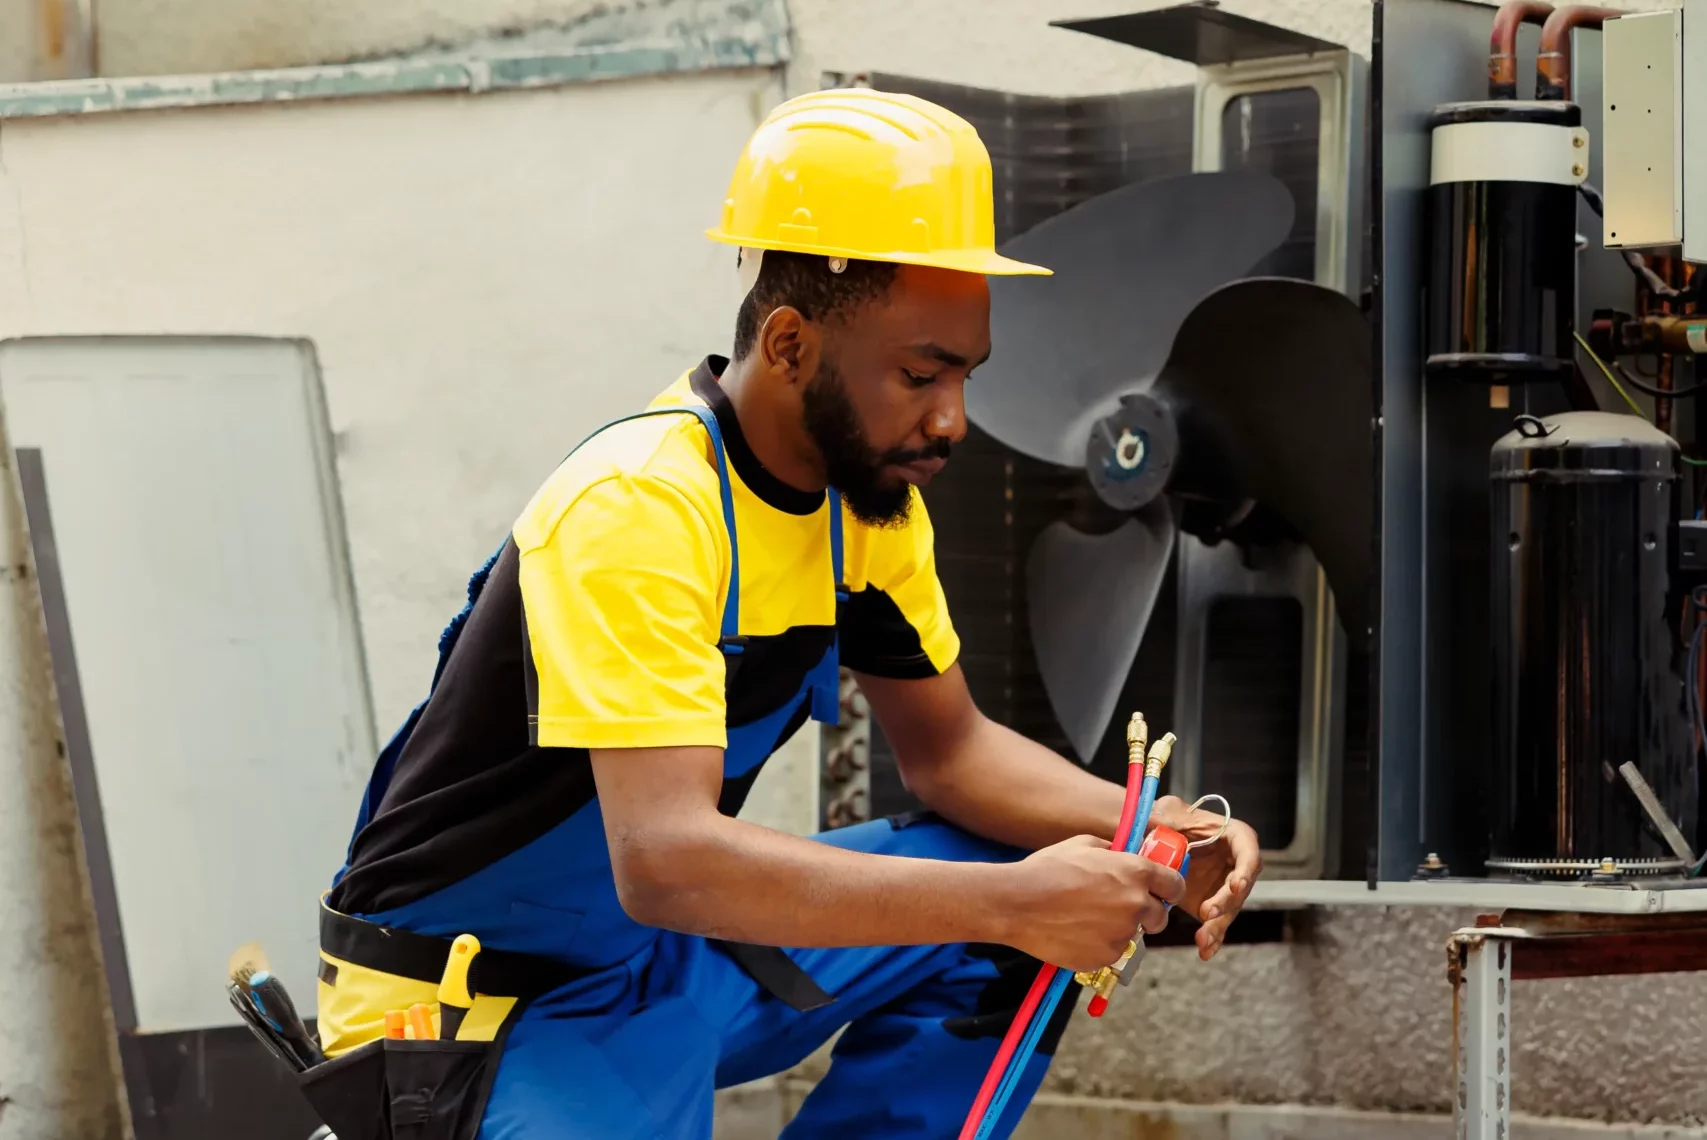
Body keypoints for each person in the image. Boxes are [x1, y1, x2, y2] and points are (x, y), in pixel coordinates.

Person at [312, 87, 1263, 1139]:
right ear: (793, 343)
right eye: (919, 373)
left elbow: (952, 756)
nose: (951, 419)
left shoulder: (871, 507)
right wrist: (1013, 901)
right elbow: (667, 859)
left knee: (1005, 887)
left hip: (651, 959)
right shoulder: (639, 506)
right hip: (478, 1007)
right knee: (1005, 899)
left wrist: (1156, 829)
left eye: (965, 376)